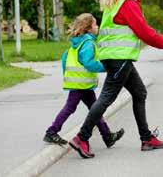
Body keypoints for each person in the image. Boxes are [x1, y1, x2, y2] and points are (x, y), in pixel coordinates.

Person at [69, 0, 163, 159]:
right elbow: (144, 31)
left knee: (139, 92)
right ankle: (81, 138)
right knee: (106, 98)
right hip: (120, 59)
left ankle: (146, 139)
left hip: (115, 58)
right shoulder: (126, 2)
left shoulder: (114, 0)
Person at [43, 13, 124, 149]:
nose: (97, 26)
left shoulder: (77, 42)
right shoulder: (88, 43)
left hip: (82, 84)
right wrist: (106, 68)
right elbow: (89, 62)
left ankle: (107, 136)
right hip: (80, 85)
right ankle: (51, 132)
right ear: (88, 28)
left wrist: (67, 75)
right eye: (95, 24)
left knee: (95, 110)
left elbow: (65, 59)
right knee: (71, 108)